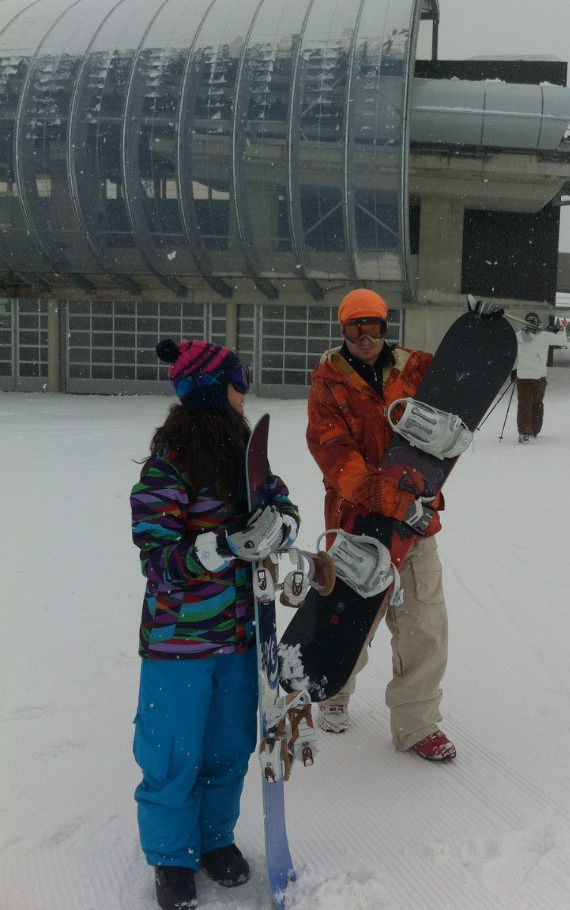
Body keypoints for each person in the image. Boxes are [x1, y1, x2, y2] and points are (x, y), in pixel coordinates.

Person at [131, 339, 301, 910]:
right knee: (173, 752)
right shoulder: (170, 462)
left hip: (238, 636)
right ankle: (170, 857)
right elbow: (157, 559)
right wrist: (224, 546)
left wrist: (280, 528)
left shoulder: (246, 456)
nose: (245, 391)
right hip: (178, 642)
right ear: (212, 387)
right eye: (239, 379)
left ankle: (214, 840)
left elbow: (283, 505)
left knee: (229, 747)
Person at [305, 288, 455, 763]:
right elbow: (332, 452)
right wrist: (382, 495)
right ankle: (333, 691)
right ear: (342, 330)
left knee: (423, 624)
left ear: (385, 328)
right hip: (355, 520)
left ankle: (416, 724)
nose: (365, 337)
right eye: (355, 328)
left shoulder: (416, 368)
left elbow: (456, 400)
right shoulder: (329, 381)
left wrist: (485, 337)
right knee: (351, 616)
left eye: (374, 326)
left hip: (414, 523)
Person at [511, 312, 567, 443]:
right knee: (537, 404)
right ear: (537, 323)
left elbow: (512, 353)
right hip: (538, 378)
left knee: (524, 405)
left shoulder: (518, 336)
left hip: (524, 378)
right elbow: (562, 341)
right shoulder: (544, 336)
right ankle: (534, 430)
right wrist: (558, 330)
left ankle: (525, 432)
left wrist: (513, 370)